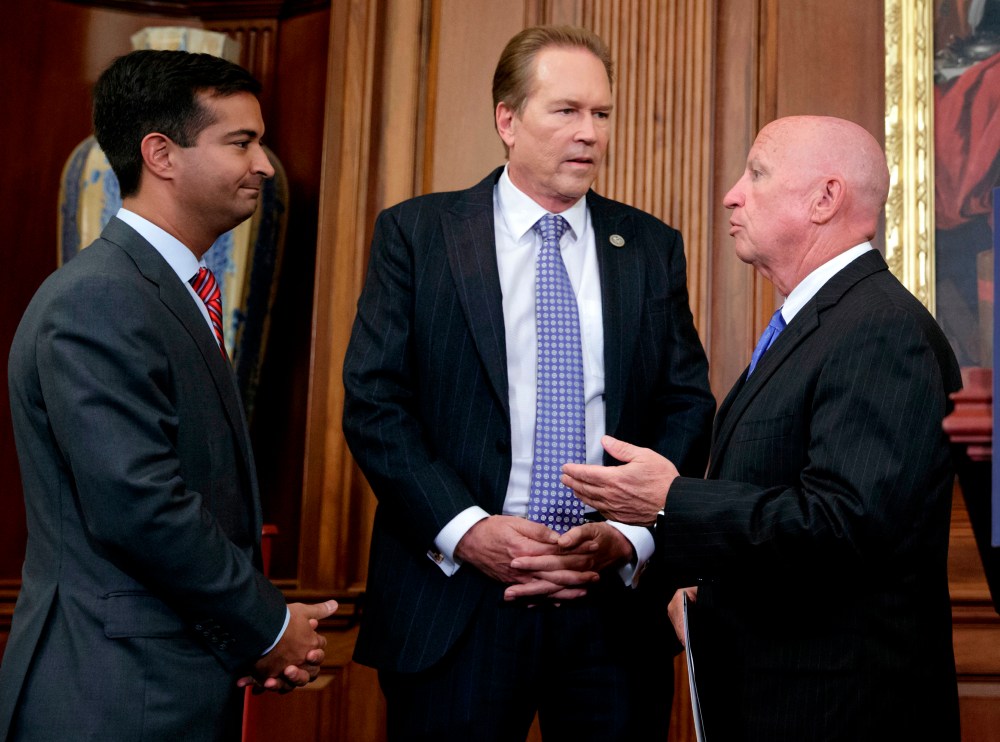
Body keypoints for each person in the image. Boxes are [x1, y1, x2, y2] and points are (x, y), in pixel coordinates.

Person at [342, 24, 715, 741]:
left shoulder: (648, 246)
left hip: (609, 610)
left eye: (601, 113)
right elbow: (376, 404)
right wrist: (468, 531)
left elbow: (685, 404)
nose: (590, 133)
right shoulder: (418, 235)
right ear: (507, 120)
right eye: (566, 110)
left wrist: (626, 535)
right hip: (456, 603)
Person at [563, 115, 962, 741]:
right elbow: (781, 498)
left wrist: (671, 501)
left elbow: (842, 527)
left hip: (837, 713)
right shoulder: (822, 322)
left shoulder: (880, 330)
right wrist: (708, 587)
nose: (732, 194)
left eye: (757, 174)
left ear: (825, 199)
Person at [0, 50, 336, 742]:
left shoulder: (157, 290)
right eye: (240, 142)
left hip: (159, 683)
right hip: (112, 695)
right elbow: (140, 507)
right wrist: (269, 625)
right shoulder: (99, 299)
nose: (265, 165)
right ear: (161, 155)